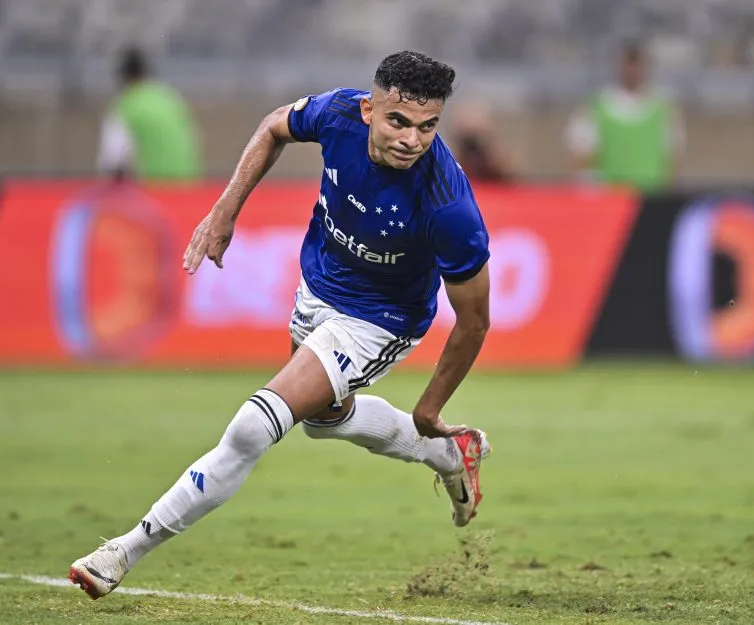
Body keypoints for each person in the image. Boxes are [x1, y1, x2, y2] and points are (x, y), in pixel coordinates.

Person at [69, 50, 493, 599]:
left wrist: (429, 407)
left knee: (253, 426)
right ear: (369, 110)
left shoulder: (448, 206)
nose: (412, 139)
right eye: (398, 121)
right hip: (317, 287)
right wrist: (225, 211)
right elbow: (273, 126)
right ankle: (446, 453)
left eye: (428, 127)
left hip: (379, 319)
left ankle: (122, 551)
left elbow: (476, 320)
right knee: (324, 419)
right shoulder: (338, 114)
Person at [565, 41, 685, 191]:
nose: (633, 71)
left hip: (651, 200)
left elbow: (672, 160)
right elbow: (582, 159)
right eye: (628, 64)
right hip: (613, 201)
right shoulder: (596, 108)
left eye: (638, 65)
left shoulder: (663, 109)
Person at [97, 47, 203, 182]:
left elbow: (112, 163)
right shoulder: (170, 99)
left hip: (153, 194)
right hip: (192, 192)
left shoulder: (124, 107)